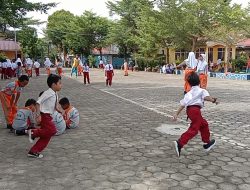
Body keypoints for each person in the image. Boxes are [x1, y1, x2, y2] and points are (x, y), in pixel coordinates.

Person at [173, 72, 219, 157]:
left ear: (189, 84)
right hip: (195, 111)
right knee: (194, 129)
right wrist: (213, 100)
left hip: (190, 111)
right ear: (199, 81)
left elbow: (182, 105)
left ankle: (207, 143)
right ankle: (180, 143)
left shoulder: (188, 93)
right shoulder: (202, 90)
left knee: (204, 124)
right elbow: (206, 97)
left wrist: (176, 114)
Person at [27, 74, 62, 158]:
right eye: (59, 83)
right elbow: (38, 102)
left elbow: (55, 105)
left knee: (47, 136)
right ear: (53, 84)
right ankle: (33, 132)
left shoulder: (55, 93)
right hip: (44, 115)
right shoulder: (47, 93)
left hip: (49, 116)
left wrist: (60, 111)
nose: (61, 85)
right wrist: (38, 115)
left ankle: (33, 151)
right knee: (52, 130)